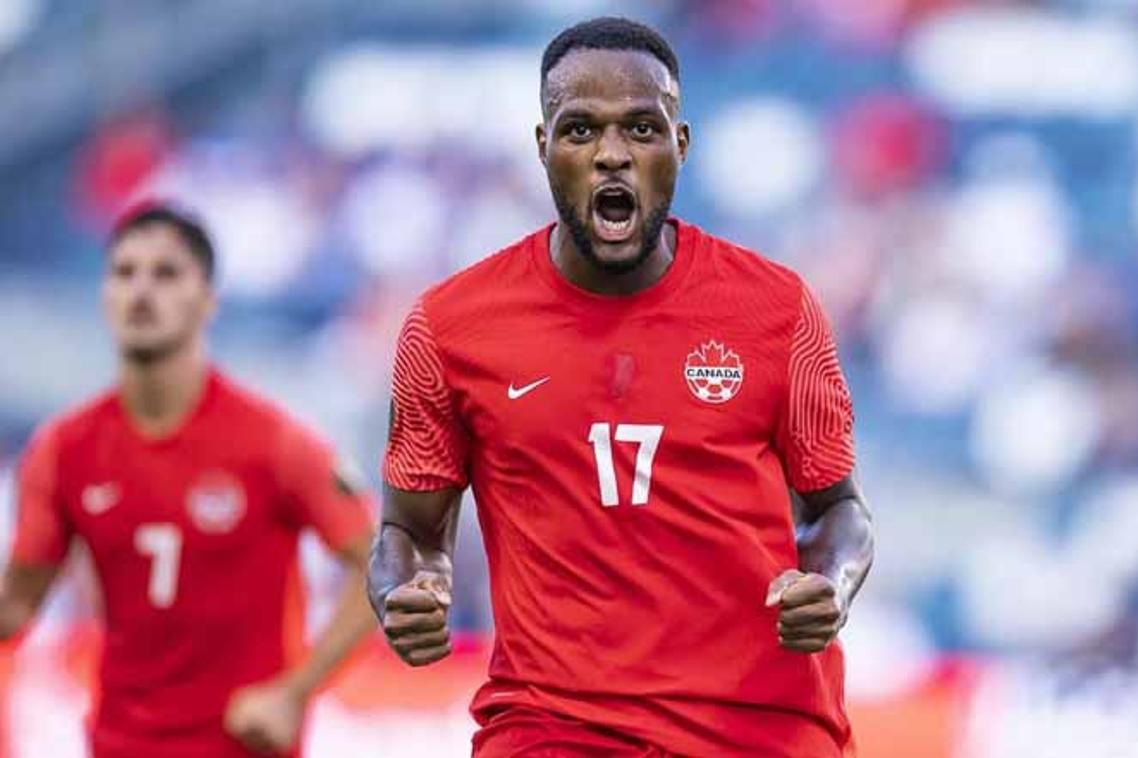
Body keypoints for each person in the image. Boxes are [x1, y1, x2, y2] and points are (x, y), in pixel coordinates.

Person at [369, 16, 875, 758]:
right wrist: (404, 593)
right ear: (543, 148)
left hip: (756, 729)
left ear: (681, 145)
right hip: (552, 729)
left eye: (642, 128)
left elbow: (839, 512)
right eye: (580, 131)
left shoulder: (778, 310)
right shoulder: (451, 328)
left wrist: (830, 583)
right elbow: (409, 532)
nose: (612, 155)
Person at [1, 204, 376, 757]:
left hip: (240, 748)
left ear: (209, 300)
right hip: (119, 744)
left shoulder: (274, 442)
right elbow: (16, 607)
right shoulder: (64, 450)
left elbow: (382, 566)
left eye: (166, 274)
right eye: (125, 273)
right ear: (105, 296)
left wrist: (296, 692)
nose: (142, 292)